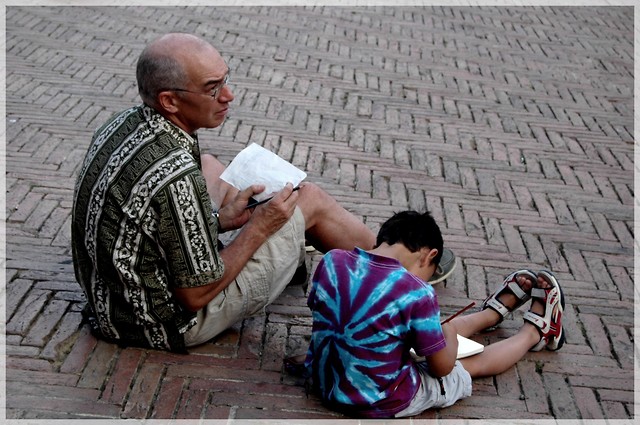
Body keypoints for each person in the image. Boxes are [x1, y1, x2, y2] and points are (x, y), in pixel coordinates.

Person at [71, 33, 457, 352]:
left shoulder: (124, 122)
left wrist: (220, 220)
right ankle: (397, 268)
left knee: (212, 168)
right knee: (307, 200)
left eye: (225, 80)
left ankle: (305, 252)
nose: (229, 96)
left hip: (110, 301)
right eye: (213, 89)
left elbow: (157, 214)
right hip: (164, 322)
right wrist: (259, 226)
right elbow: (195, 294)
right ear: (170, 100)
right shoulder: (175, 177)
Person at [301, 210, 565, 418]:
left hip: (326, 381)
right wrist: (448, 334)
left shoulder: (333, 260)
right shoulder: (416, 291)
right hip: (376, 398)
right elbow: (441, 369)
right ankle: (535, 333)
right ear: (430, 256)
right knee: (464, 366)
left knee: (422, 328)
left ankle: (490, 316)